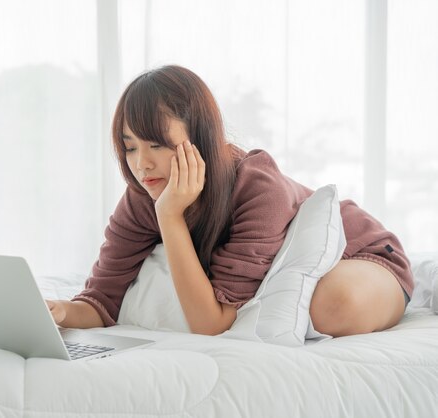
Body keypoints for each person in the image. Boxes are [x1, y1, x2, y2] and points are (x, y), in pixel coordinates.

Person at [46, 65, 413, 337]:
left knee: (333, 306)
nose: (141, 164)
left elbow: (212, 323)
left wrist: (170, 217)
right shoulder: (144, 194)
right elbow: (100, 301)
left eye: (157, 144)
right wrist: (58, 311)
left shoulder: (256, 186)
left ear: (201, 136)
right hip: (275, 268)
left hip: (361, 253)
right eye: (130, 147)